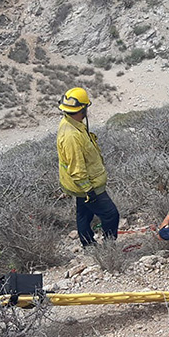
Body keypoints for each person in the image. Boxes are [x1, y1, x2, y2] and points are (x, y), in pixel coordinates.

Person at [57, 87, 119, 247]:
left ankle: (88, 244)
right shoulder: (71, 135)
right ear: (82, 109)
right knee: (111, 214)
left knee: (84, 213)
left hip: (78, 184)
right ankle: (109, 248)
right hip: (86, 184)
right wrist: (89, 191)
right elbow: (77, 168)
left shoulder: (72, 123)